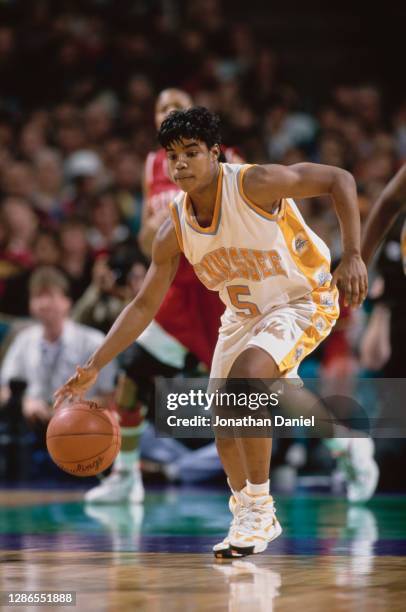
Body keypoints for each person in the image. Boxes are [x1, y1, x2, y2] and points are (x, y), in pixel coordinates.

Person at [55, 107, 368, 558]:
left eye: (191, 153)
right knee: (224, 420)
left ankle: (262, 509)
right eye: (172, 156)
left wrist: (353, 254)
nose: (180, 164)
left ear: (215, 154)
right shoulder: (175, 227)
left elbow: (340, 179)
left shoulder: (254, 183)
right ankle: (246, 512)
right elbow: (143, 305)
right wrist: (93, 365)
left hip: (303, 299)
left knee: (243, 385)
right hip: (243, 316)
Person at [84, 89, 227, 504]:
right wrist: (160, 230)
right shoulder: (155, 165)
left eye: (177, 104)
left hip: (218, 290)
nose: (170, 111)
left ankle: (343, 448)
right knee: (132, 375)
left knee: (263, 388)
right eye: (162, 108)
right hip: (176, 291)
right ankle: (128, 476)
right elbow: (150, 236)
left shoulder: (221, 155)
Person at [1, 266, 117, 426]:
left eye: (50, 296)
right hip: (30, 424)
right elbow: (4, 389)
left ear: (67, 301)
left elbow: (109, 397)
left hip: (79, 427)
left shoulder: (94, 341)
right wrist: (25, 403)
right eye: (37, 296)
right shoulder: (23, 339)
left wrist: (74, 408)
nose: (44, 303)